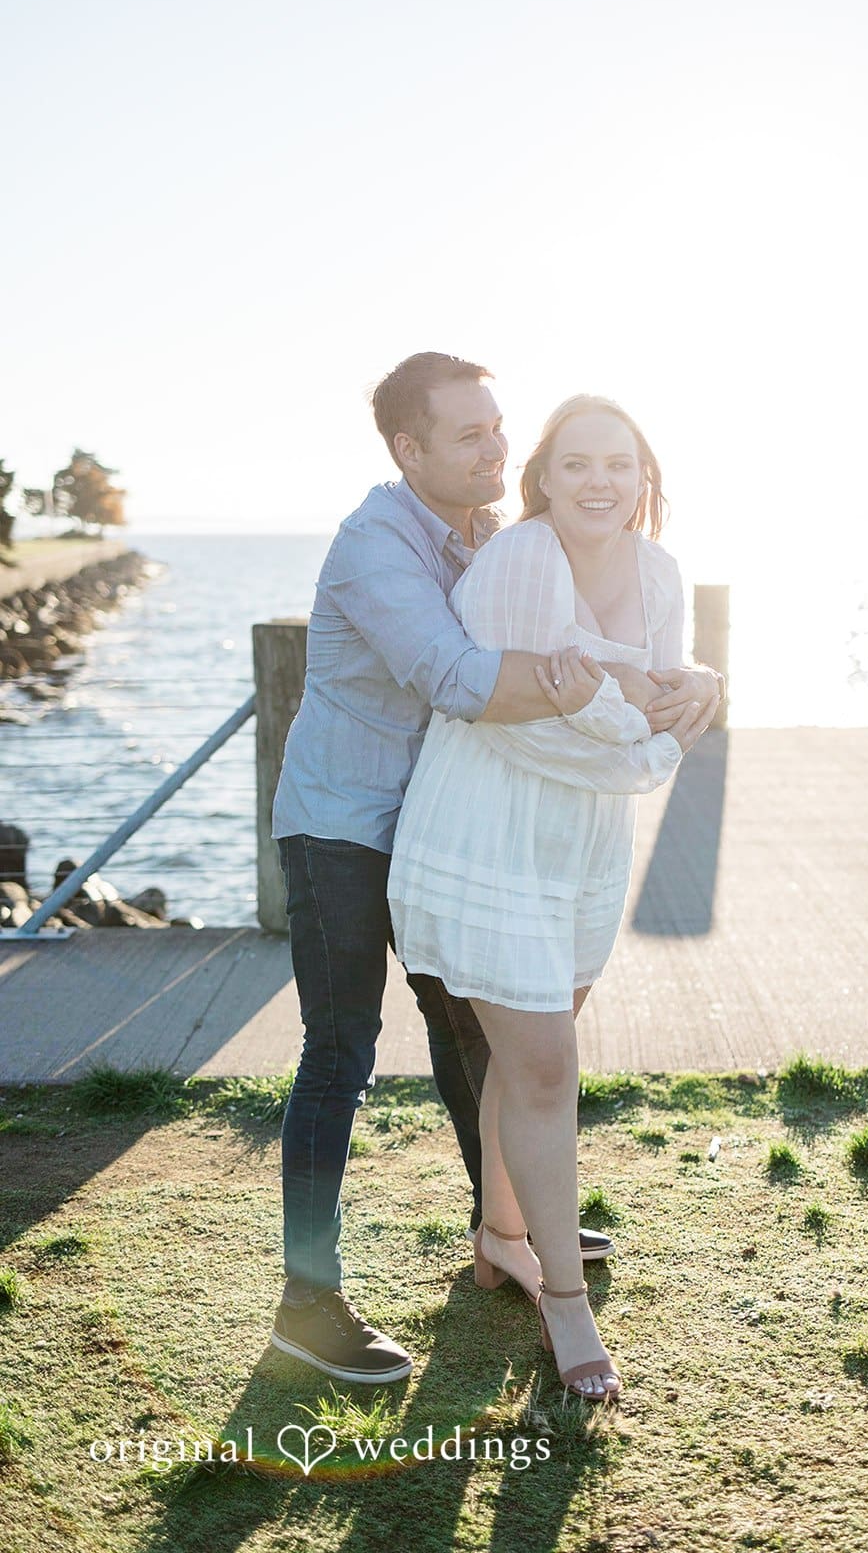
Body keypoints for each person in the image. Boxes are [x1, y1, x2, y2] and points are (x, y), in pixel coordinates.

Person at [269, 355, 722, 1385]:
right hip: (346, 822)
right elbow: (462, 679)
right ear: (408, 449)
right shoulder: (372, 543)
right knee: (338, 1052)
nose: (495, 450)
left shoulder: (489, 533)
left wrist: (681, 676)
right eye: (469, 435)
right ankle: (309, 1300)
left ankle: (504, 1230)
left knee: (473, 1031)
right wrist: (638, 687)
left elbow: (578, 637)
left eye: (497, 427)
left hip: (447, 818)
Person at [388, 394, 714, 1401]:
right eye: (575, 464)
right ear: (542, 479)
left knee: (530, 1055)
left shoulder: (660, 573)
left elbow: (657, 691)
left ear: (643, 474)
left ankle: (500, 1233)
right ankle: (564, 1306)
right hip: (485, 832)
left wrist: (691, 688)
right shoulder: (520, 560)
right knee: (542, 1065)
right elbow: (514, 720)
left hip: (579, 848)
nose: (598, 483)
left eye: (617, 462)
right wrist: (661, 734)